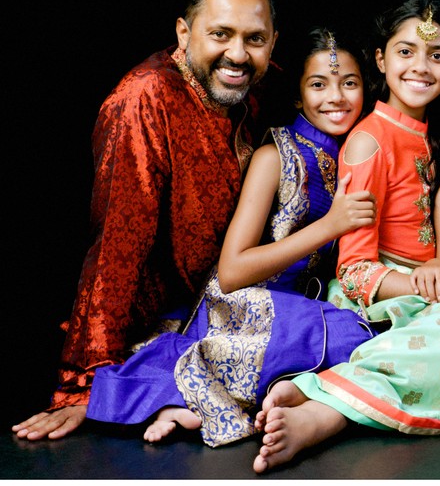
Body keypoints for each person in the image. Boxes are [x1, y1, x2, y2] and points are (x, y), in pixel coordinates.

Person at [252, 4, 440, 474]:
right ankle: (326, 410)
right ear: (380, 59)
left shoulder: (431, 137)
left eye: (436, 55)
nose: (420, 66)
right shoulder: (370, 142)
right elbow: (354, 272)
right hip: (391, 293)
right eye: (406, 51)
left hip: (438, 289)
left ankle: (328, 392)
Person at [13, 0, 278, 441]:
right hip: (149, 326)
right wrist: (85, 382)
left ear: (273, 41)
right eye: (220, 34)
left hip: (217, 303)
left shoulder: (246, 89)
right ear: (184, 31)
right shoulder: (145, 99)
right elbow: (116, 244)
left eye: (254, 39)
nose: (237, 54)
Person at [84, 28, 378, 446]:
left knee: (369, 338)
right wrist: (329, 227)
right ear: (297, 96)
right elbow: (232, 270)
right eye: (318, 84)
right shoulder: (274, 155)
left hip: (301, 306)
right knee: (345, 336)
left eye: (349, 83)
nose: (336, 96)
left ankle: (231, 396)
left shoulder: (355, 155)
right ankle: (187, 398)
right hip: (244, 305)